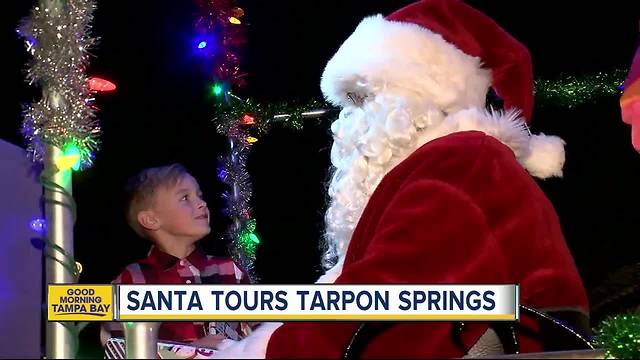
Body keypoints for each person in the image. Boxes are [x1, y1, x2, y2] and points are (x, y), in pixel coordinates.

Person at [213, 0, 591, 357]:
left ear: (412, 99)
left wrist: (271, 351)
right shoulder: (442, 166)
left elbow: (396, 296)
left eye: (361, 101)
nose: (347, 126)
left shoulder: (464, 160)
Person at [100, 163, 252, 348]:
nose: (202, 203)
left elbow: (256, 339)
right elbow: (121, 349)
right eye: (185, 198)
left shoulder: (230, 271)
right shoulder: (132, 280)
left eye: (199, 195)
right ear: (151, 219)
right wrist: (192, 352)